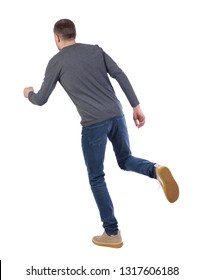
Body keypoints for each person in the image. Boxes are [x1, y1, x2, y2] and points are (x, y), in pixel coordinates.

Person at [23, 19, 179, 248]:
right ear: (74, 34)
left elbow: (42, 99)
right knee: (125, 159)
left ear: (57, 37)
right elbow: (120, 74)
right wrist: (136, 106)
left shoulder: (56, 62)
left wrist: (29, 93)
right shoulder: (96, 50)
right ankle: (155, 170)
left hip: (93, 124)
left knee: (97, 177)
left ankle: (112, 232)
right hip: (117, 115)